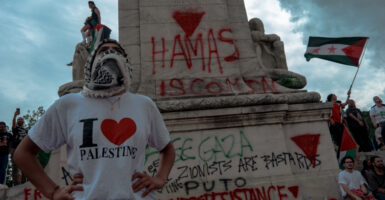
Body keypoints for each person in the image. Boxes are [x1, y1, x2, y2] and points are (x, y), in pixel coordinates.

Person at [14, 39, 175, 200]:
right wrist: (53, 191)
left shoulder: (143, 105)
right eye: (103, 50)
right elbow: (23, 153)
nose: (111, 53)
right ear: (91, 63)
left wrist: (160, 178)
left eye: (117, 51)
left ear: (126, 63)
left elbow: (167, 149)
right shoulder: (68, 105)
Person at [11, 108, 28, 185]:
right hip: (15, 148)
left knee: (25, 166)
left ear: (23, 122)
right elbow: (13, 124)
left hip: (24, 149)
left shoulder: (26, 131)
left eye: (21, 119)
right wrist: (15, 115)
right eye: (19, 119)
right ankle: (15, 183)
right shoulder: (15, 129)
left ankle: (24, 183)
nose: (20, 120)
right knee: (15, 166)